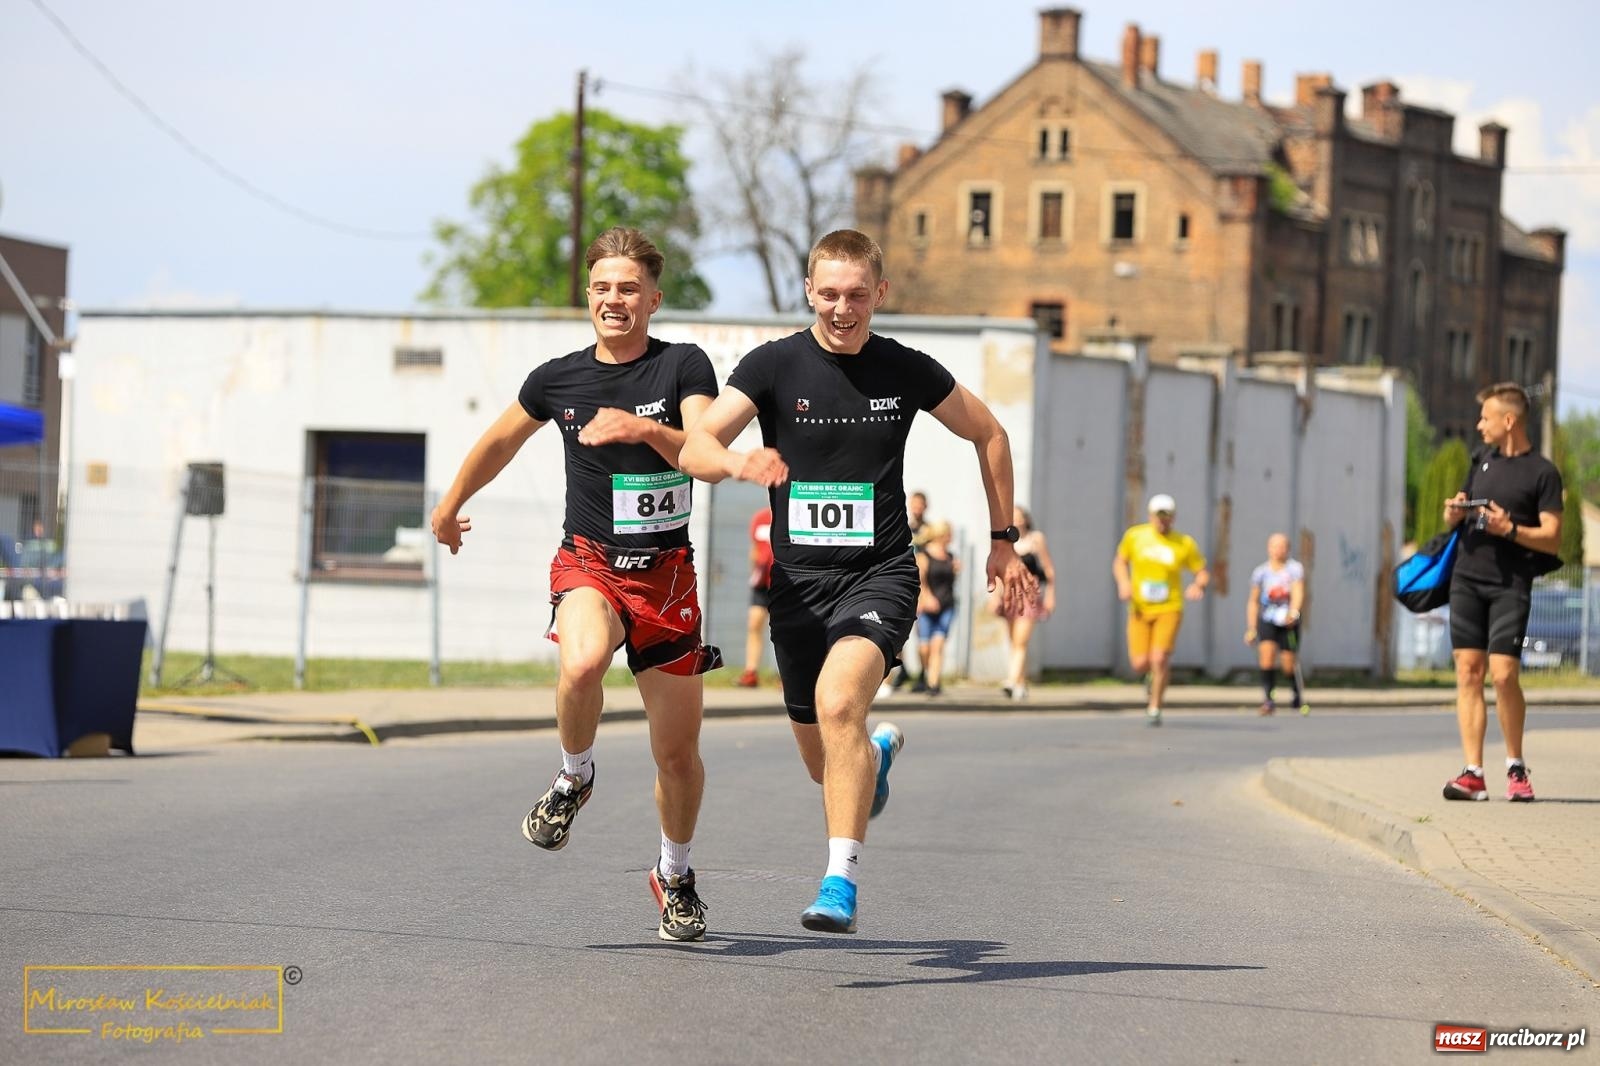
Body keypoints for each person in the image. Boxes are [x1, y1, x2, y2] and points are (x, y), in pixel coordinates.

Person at [680, 228, 1037, 934]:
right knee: (826, 763)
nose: (844, 309)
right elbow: (696, 444)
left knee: (841, 703)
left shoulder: (904, 368)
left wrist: (1003, 541)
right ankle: (872, 758)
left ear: (881, 294)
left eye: (858, 295)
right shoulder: (774, 365)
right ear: (810, 291)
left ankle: (839, 880)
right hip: (796, 589)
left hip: (879, 575)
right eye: (830, 294)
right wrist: (734, 463)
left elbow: (989, 432)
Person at [430, 227, 721, 942]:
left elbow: (706, 451)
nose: (613, 300)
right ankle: (574, 775)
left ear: (652, 298)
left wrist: (645, 432)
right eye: (601, 288)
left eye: (627, 288)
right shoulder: (556, 378)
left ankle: (674, 875)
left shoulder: (683, 366)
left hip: (667, 579)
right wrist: (449, 504)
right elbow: (501, 439)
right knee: (583, 660)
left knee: (677, 757)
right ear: (586, 296)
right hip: (589, 560)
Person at [1441, 382, 1563, 803]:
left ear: (1508, 421)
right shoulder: (1480, 461)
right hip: (1467, 578)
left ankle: (1515, 764)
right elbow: (1455, 513)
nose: (1479, 426)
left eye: (1486, 418)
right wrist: (1454, 513)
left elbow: (1552, 537)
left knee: (1504, 674)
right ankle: (1473, 773)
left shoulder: (1542, 473)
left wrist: (1509, 528)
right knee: (1468, 671)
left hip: (1511, 584)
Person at [1113, 493, 1209, 727]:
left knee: (1160, 657)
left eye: (1167, 517)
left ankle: (1155, 706)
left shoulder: (1184, 543)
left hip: (1170, 607)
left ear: (1173, 518)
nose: (1163, 521)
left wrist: (1198, 585)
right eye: (1159, 516)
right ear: (1150, 516)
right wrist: (1124, 583)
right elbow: (1120, 561)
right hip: (1139, 608)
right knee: (1140, 663)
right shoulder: (1135, 536)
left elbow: (1202, 571)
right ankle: (1151, 678)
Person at [995, 506, 1055, 700]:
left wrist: (1050, 596)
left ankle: (1011, 681)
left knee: (1021, 642)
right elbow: (998, 572)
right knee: (1014, 642)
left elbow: (1049, 570)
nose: (1017, 520)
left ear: (1026, 519)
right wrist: (995, 596)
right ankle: (1021, 684)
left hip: (1029, 596)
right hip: (1009, 596)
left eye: (1019, 517)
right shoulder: (1005, 542)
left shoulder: (1035, 539)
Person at [1245, 533, 1307, 715]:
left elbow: (1298, 592)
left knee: (1288, 663)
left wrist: (1294, 613)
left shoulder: (1294, 569)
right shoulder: (1261, 572)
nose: (1278, 550)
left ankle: (1295, 691)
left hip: (1287, 621)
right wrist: (1251, 627)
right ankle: (1268, 699)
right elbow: (1253, 601)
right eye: (1275, 546)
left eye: (1282, 546)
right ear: (1268, 548)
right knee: (1267, 655)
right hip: (1268, 619)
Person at [914, 520, 961, 696]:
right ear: (941, 535)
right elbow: (921, 581)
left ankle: (933, 683)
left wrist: (956, 569)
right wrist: (926, 598)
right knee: (924, 647)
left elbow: (950, 582)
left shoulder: (950, 556)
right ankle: (927, 673)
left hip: (947, 605)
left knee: (938, 645)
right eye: (949, 534)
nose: (951, 537)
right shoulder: (924, 556)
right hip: (926, 607)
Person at [736, 506, 775, 687]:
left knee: (786, 630)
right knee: (754, 623)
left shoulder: (792, 514)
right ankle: (751, 672)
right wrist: (754, 574)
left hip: (784, 583)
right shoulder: (760, 517)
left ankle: (787, 676)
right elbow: (755, 550)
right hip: (761, 583)